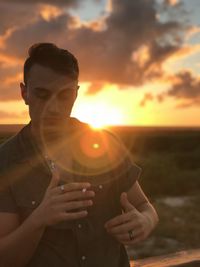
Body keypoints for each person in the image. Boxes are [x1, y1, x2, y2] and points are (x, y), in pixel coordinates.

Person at [0, 43, 158, 267]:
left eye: (64, 95)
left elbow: (144, 206)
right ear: (24, 93)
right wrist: (39, 219)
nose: (53, 108)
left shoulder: (105, 143)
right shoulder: (5, 161)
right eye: (42, 95)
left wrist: (145, 220)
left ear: (76, 93)